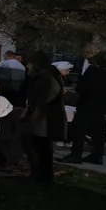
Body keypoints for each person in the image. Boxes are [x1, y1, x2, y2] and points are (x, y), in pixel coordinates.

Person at [18, 49, 65, 183]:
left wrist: (33, 116)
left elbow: (44, 99)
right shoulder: (40, 77)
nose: (27, 66)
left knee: (41, 149)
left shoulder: (47, 77)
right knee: (37, 147)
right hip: (39, 119)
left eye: (30, 63)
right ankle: (38, 174)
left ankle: (42, 176)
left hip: (44, 120)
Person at [59, 43, 106, 166]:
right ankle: (97, 155)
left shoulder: (92, 70)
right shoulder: (105, 70)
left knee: (78, 128)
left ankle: (76, 154)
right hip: (101, 104)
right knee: (98, 130)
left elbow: (82, 87)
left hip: (88, 103)